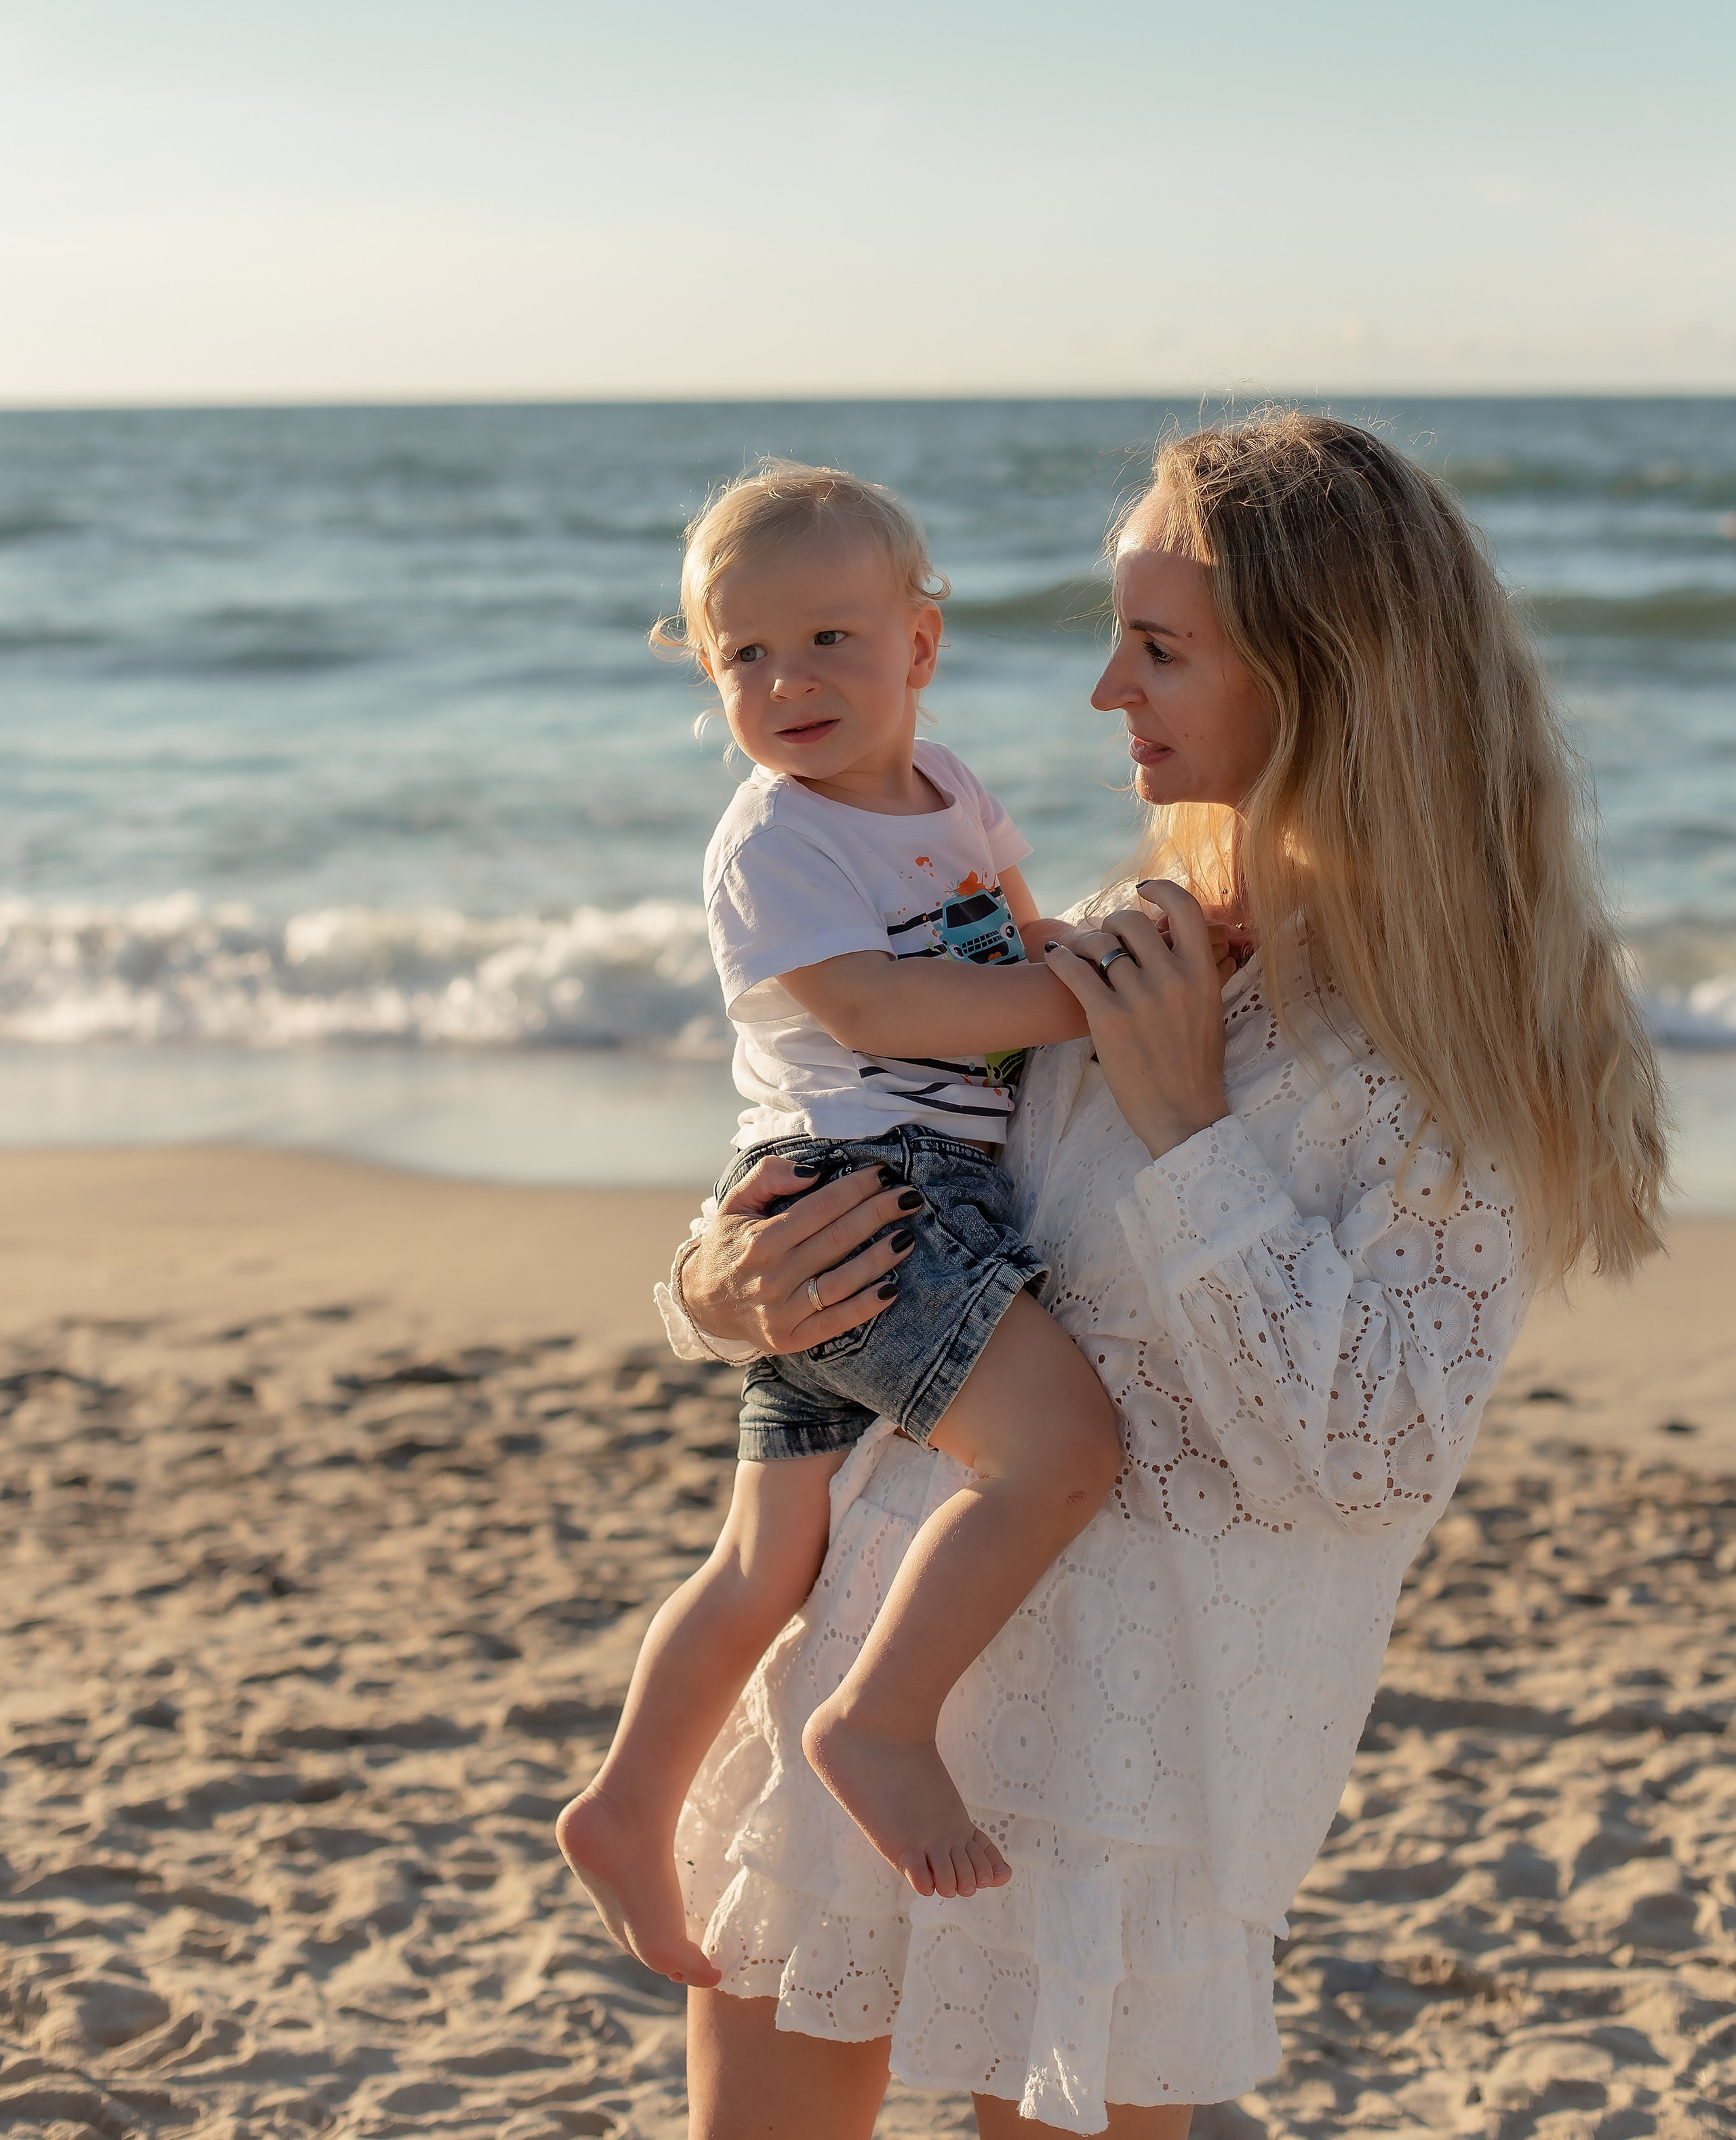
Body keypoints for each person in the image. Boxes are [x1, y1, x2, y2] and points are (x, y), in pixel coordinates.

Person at [657, 413, 1665, 2139]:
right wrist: (708, 1289)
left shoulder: (1446, 1056)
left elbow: (1365, 1458)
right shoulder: (1134, 937)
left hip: (1133, 1771)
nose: (1103, 694)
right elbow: (876, 1153)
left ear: (1322, 672)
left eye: (1157, 646)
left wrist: (1191, 1126)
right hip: (877, 1668)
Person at [559, 459, 1166, 1986]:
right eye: (742, 654)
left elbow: (1012, 929)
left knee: (764, 1561)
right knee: (1059, 1453)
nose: (786, 680)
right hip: (865, 1198)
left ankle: (626, 1805)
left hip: (891, 1197)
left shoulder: (950, 787)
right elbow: (886, 1005)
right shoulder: (768, 845)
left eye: (828, 638)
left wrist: (1077, 953)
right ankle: (880, 1718)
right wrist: (1082, 999)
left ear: (919, 644)